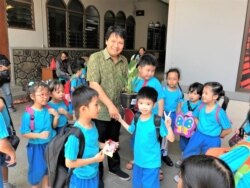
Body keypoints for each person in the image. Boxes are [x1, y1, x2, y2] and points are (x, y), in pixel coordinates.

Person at [87, 25, 130, 185]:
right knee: (97, 143)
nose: (116, 45)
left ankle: (113, 166)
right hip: (100, 111)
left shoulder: (124, 61)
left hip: (117, 112)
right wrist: (110, 105)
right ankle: (96, 173)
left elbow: (127, 85)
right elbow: (94, 84)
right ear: (106, 41)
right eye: (113, 41)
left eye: (120, 42)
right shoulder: (96, 58)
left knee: (113, 140)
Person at [118, 86, 174, 188]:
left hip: (152, 163)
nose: (144, 107)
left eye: (148, 104)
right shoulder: (137, 117)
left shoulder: (157, 120)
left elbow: (171, 139)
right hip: (138, 161)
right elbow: (131, 130)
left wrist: (168, 126)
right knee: (137, 185)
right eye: (141, 103)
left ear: (154, 104)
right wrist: (120, 120)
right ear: (137, 103)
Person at [127, 53, 166, 173]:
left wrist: (159, 116)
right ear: (139, 68)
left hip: (151, 119)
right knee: (137, 138)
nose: (150, 73)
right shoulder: (133, 80)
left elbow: (160, 99)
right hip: (138, 117)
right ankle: (137, 159)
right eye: (148, 70)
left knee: (153, 141)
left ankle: (156, 166)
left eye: (153, 71)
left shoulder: (155, 82)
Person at [64, 86, 105, 188]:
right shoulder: (75, 136)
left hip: (93, 173)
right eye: (96, 105)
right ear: (83, 109)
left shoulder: (93, 124)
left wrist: (104, 145)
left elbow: (93, 142)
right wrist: (94, 160)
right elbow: (69, 163)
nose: (99, 108)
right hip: (80, 179)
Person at [20, 81, 57, 187]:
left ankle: (46, 185)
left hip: (49, 144)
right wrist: (39, 135)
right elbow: (24, 133)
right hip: (36, 147)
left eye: (47, 94)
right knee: (36, 170)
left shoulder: (48, 109)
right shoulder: (28, 115)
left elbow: (53, 126)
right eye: (41, 95)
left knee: (47, 167)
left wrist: (56, 116)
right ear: (32, 96)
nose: (45, 97)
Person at [175, 82, 203, 168]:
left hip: (195, 131)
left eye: (195, 94)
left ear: (200, 95)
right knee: (183, 144)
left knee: (193, 145)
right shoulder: (186, 103)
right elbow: (181, 113)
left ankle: (190, 161)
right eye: (190, 92)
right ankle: (183, 158)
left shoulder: (202, 105)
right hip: (185, 129)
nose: (191, 95)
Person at [162, 68, 184, 166]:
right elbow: (159, 103)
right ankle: (157, 153)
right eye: (169, 78)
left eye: (174, 79)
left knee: (168, 136)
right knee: (160, 135)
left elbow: (179, 106)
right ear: (166, 79)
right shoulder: (163, 90)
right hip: (162, 114)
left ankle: (165, 154)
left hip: (172, 116)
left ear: (178, 79)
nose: (171, 81)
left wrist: (179, 118)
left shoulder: (179, 93)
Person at [0, 97, 16, 188]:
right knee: (5, 161)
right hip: (3, 138)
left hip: (5, 132)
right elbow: (2, 144)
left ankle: (5, 183)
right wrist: (12, 153)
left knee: (3, 163)